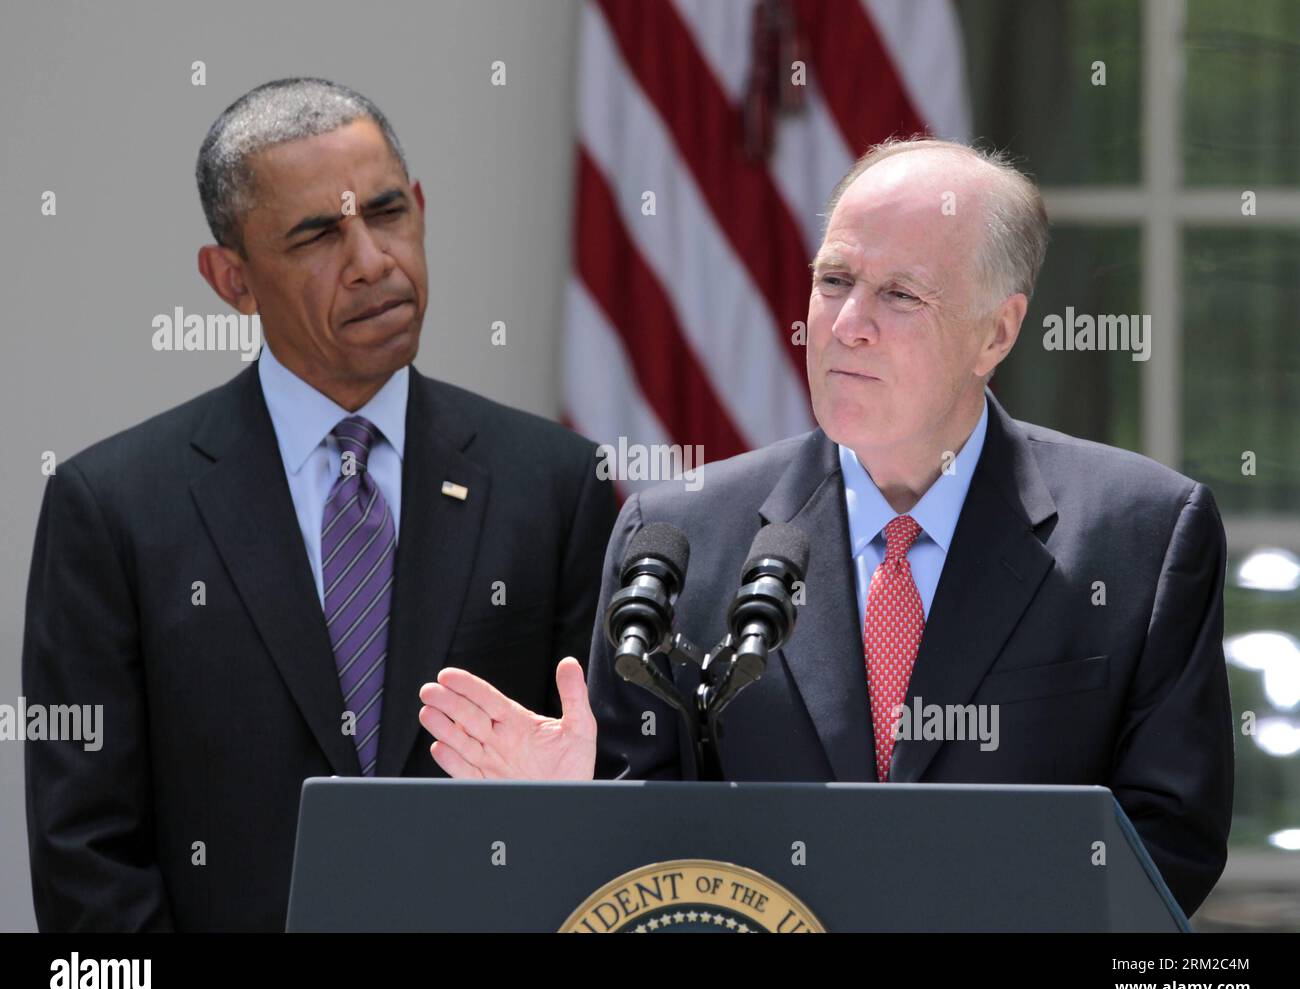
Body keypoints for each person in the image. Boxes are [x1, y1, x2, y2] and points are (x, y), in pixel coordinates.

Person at [417, 138, 1235, 918]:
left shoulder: (1141, 536)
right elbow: (648, 857)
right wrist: (572, 811)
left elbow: (1165, 848)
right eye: (835, 279)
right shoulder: (674, 534)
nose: (846, 324)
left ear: (999, 331)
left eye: (900, 295)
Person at [23, 77, 617, 931]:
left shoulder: (555, 485)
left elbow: (611, 802)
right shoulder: (113, 509)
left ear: (419, 206)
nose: (372, 260)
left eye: (386, 214)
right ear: (232, 279)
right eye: (317, 236)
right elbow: (87, 852)